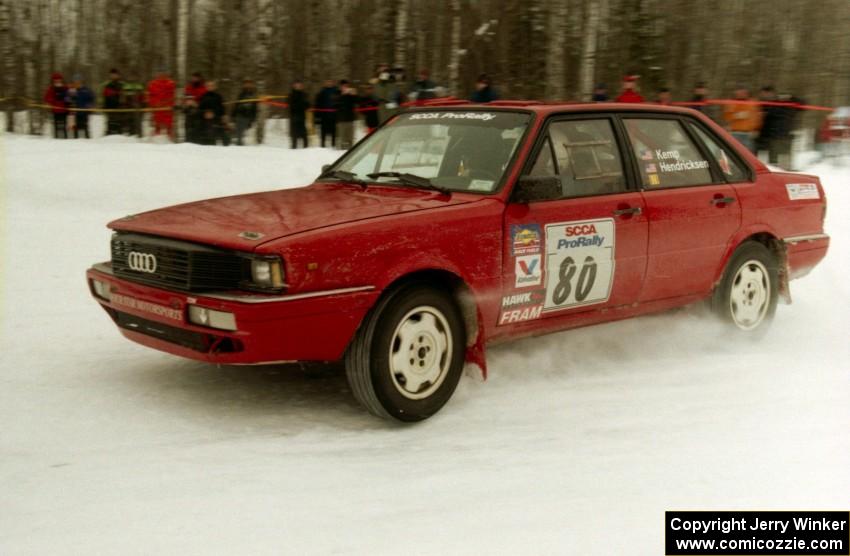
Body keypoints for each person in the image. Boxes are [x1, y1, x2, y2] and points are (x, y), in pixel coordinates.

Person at [756, 86, 797, 167]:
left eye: (768, 93)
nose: (766, 95)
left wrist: (791, 97)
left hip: (781, 135)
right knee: (771, 160)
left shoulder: (781, 103)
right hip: (767, 135)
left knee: (783, 159)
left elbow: (801, 103)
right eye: (764, 93)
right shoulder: (761, 103)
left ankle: (784, 170)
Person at [721, 86, 761, 153]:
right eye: (739, 93)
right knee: (734, 151)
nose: (741, 95)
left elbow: (757, 117)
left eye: (743, 93)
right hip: (735, 132)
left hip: (748, 133)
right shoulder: (731, 103)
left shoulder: (752, 103)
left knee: (748, 153)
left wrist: (756, 129)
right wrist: (736, 116)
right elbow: (726, 116)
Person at [197, 80, 229, 146]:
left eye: (212, 86)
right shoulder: (203, 97)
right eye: (208, 86)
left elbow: (222, 109)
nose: (210, 87)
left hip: (216, 120)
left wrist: (217, 115)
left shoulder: (219, 97)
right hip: (204, 121)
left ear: (215, 87)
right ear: (206, 87)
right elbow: (199, 109)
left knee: (220, 137)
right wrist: (204, 113)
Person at [146, 70, 176, 140]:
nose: (161, 75)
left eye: (163, 73)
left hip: (166, 109)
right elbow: (149, 96)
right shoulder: (152, 84)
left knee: (168, 128)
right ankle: (157, 141)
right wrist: (154, 104)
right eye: (160, 73)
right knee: (157, 127)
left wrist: (163, 103)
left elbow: (172, 97)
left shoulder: (170, 83)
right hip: (158, 109)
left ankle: (169, 141)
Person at [231, 79, 257, 146]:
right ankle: (238, 143)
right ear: (244, 85)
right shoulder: (241, 94)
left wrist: (253, 119)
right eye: (246, 84)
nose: (248, 85)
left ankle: (238, 142)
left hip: (248, 116)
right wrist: (233, 115)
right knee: (238, 131)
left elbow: (254, 108)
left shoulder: (254, 95)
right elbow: (236, 105)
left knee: (242, 131)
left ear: (252, 85)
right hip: (239, 115)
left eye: (249, 84)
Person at [43, 72, 69, 139]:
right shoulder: (51, 89)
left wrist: (67, 100)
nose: (57, 81)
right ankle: (56, 138)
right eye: (56, 80)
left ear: (61, 80)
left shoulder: (65, 88)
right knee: (56, 125)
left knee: (63, 125)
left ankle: (65, 138)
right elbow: (46, 98)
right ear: (53, 81)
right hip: (55, 110)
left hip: (64, 110)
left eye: (59, 80)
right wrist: (52, 101)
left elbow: (69, 96)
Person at [314, 79, 339, 148]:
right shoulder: (322, 92)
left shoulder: (336, 92)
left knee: (333, 131)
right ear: (325, 83)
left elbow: (339, 103)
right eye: (328, 82)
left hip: (333, 115)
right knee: (323, 130)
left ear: (333, 83)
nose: (329, 83)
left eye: (331, 82)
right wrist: (317, 116)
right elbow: (317, 104)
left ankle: (333, 144)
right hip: (324, 115)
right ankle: (322, 145)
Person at [183, 72, 207, 143]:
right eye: (193, 78)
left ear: (200, 78)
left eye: (196, 78)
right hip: (189, 112)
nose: (194, 79)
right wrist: (185, 103)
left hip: (199, 113)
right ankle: (187, 143)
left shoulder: (203, 88)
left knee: (197, 130)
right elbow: (185, 98)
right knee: (188, 129)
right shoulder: (188, 87)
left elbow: (205, 102)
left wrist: (196, 104)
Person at [336, 80, 358, 150]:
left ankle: (351, 151)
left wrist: (355, 95)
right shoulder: (337, 93)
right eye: (344, 86)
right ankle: (342, 152)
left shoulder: (350, 95)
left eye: (347, 86)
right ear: (340, 87)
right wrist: (342, 95)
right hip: (341, 120)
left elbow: (358, 101)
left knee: (350, 138)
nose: (346, 88)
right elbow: (335, 103)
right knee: (342, 138)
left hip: (350, 119)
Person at [288, 79, 310, 149]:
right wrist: (300, 105)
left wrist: (305, 105)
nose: (298, 86)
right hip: (294, 116)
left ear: (302, 86)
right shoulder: (291, 95)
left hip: (302, 116)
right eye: (296, 85)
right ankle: (294, 147)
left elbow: (307, 105)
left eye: (299, 85)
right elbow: (291, 105)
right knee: (294, 133)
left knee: (304, 133)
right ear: (294, 86)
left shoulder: (304, 94)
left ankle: (306, 147)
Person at [102, 68, 124, 135]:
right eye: (112, 75)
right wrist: (104, 106)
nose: (113, 76)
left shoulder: (121, 85)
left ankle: (120, 137)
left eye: (115, 74)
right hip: (110, 108)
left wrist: (122, 105)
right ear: (110, 75)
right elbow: (105, 97)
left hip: (119, 108)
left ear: (118, 75)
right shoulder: (107, 85)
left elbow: (123, 96)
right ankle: (109, 137)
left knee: (118, 124)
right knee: (110, 124)